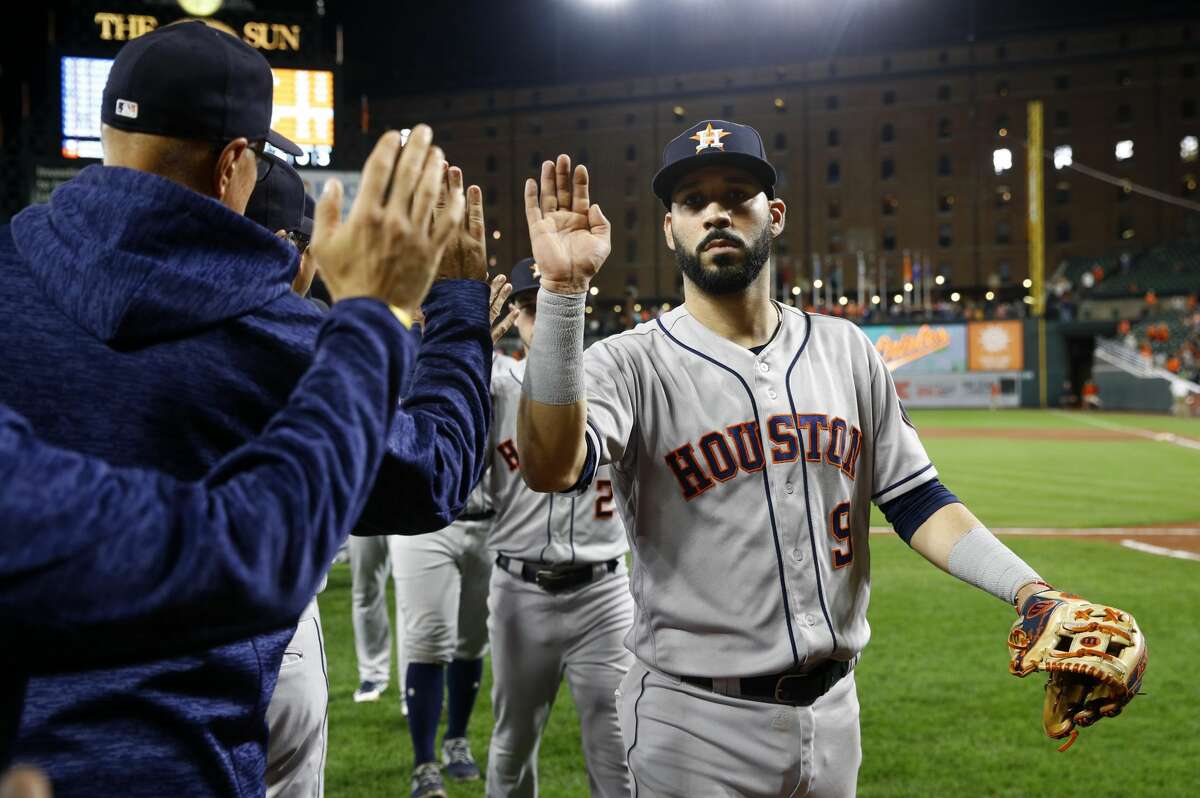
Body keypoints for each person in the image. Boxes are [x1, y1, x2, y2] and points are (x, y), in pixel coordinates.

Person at [512, 120, 1131, 796]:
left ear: (773, 214)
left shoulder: (845, 350)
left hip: (835, 713)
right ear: (670, 229)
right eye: (692, 201)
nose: (716, 211)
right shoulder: (627, 364)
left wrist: (1031, 592)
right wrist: (563, 296)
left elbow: (917, 498)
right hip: (693, 722)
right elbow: (549, 467)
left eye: (737, 193)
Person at [0, 20, 491, 797]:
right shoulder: (275, 334)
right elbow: (431, 474)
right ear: (235, 163)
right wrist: (450, 307)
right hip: (185, 762)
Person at [0, 230, 439, 764]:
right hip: (261, 621)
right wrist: (398, 325)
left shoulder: (33, 279)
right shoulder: (273, 333)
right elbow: (427, 476)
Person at [484, 258, 634, 798]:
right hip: (519, 587)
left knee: (618, 748)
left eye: (546, 306)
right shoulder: (497, 385)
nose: (536, 318)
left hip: (604, 591)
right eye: (527, 307)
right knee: (511, 746)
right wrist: (459, 346)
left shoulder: (613, 378)